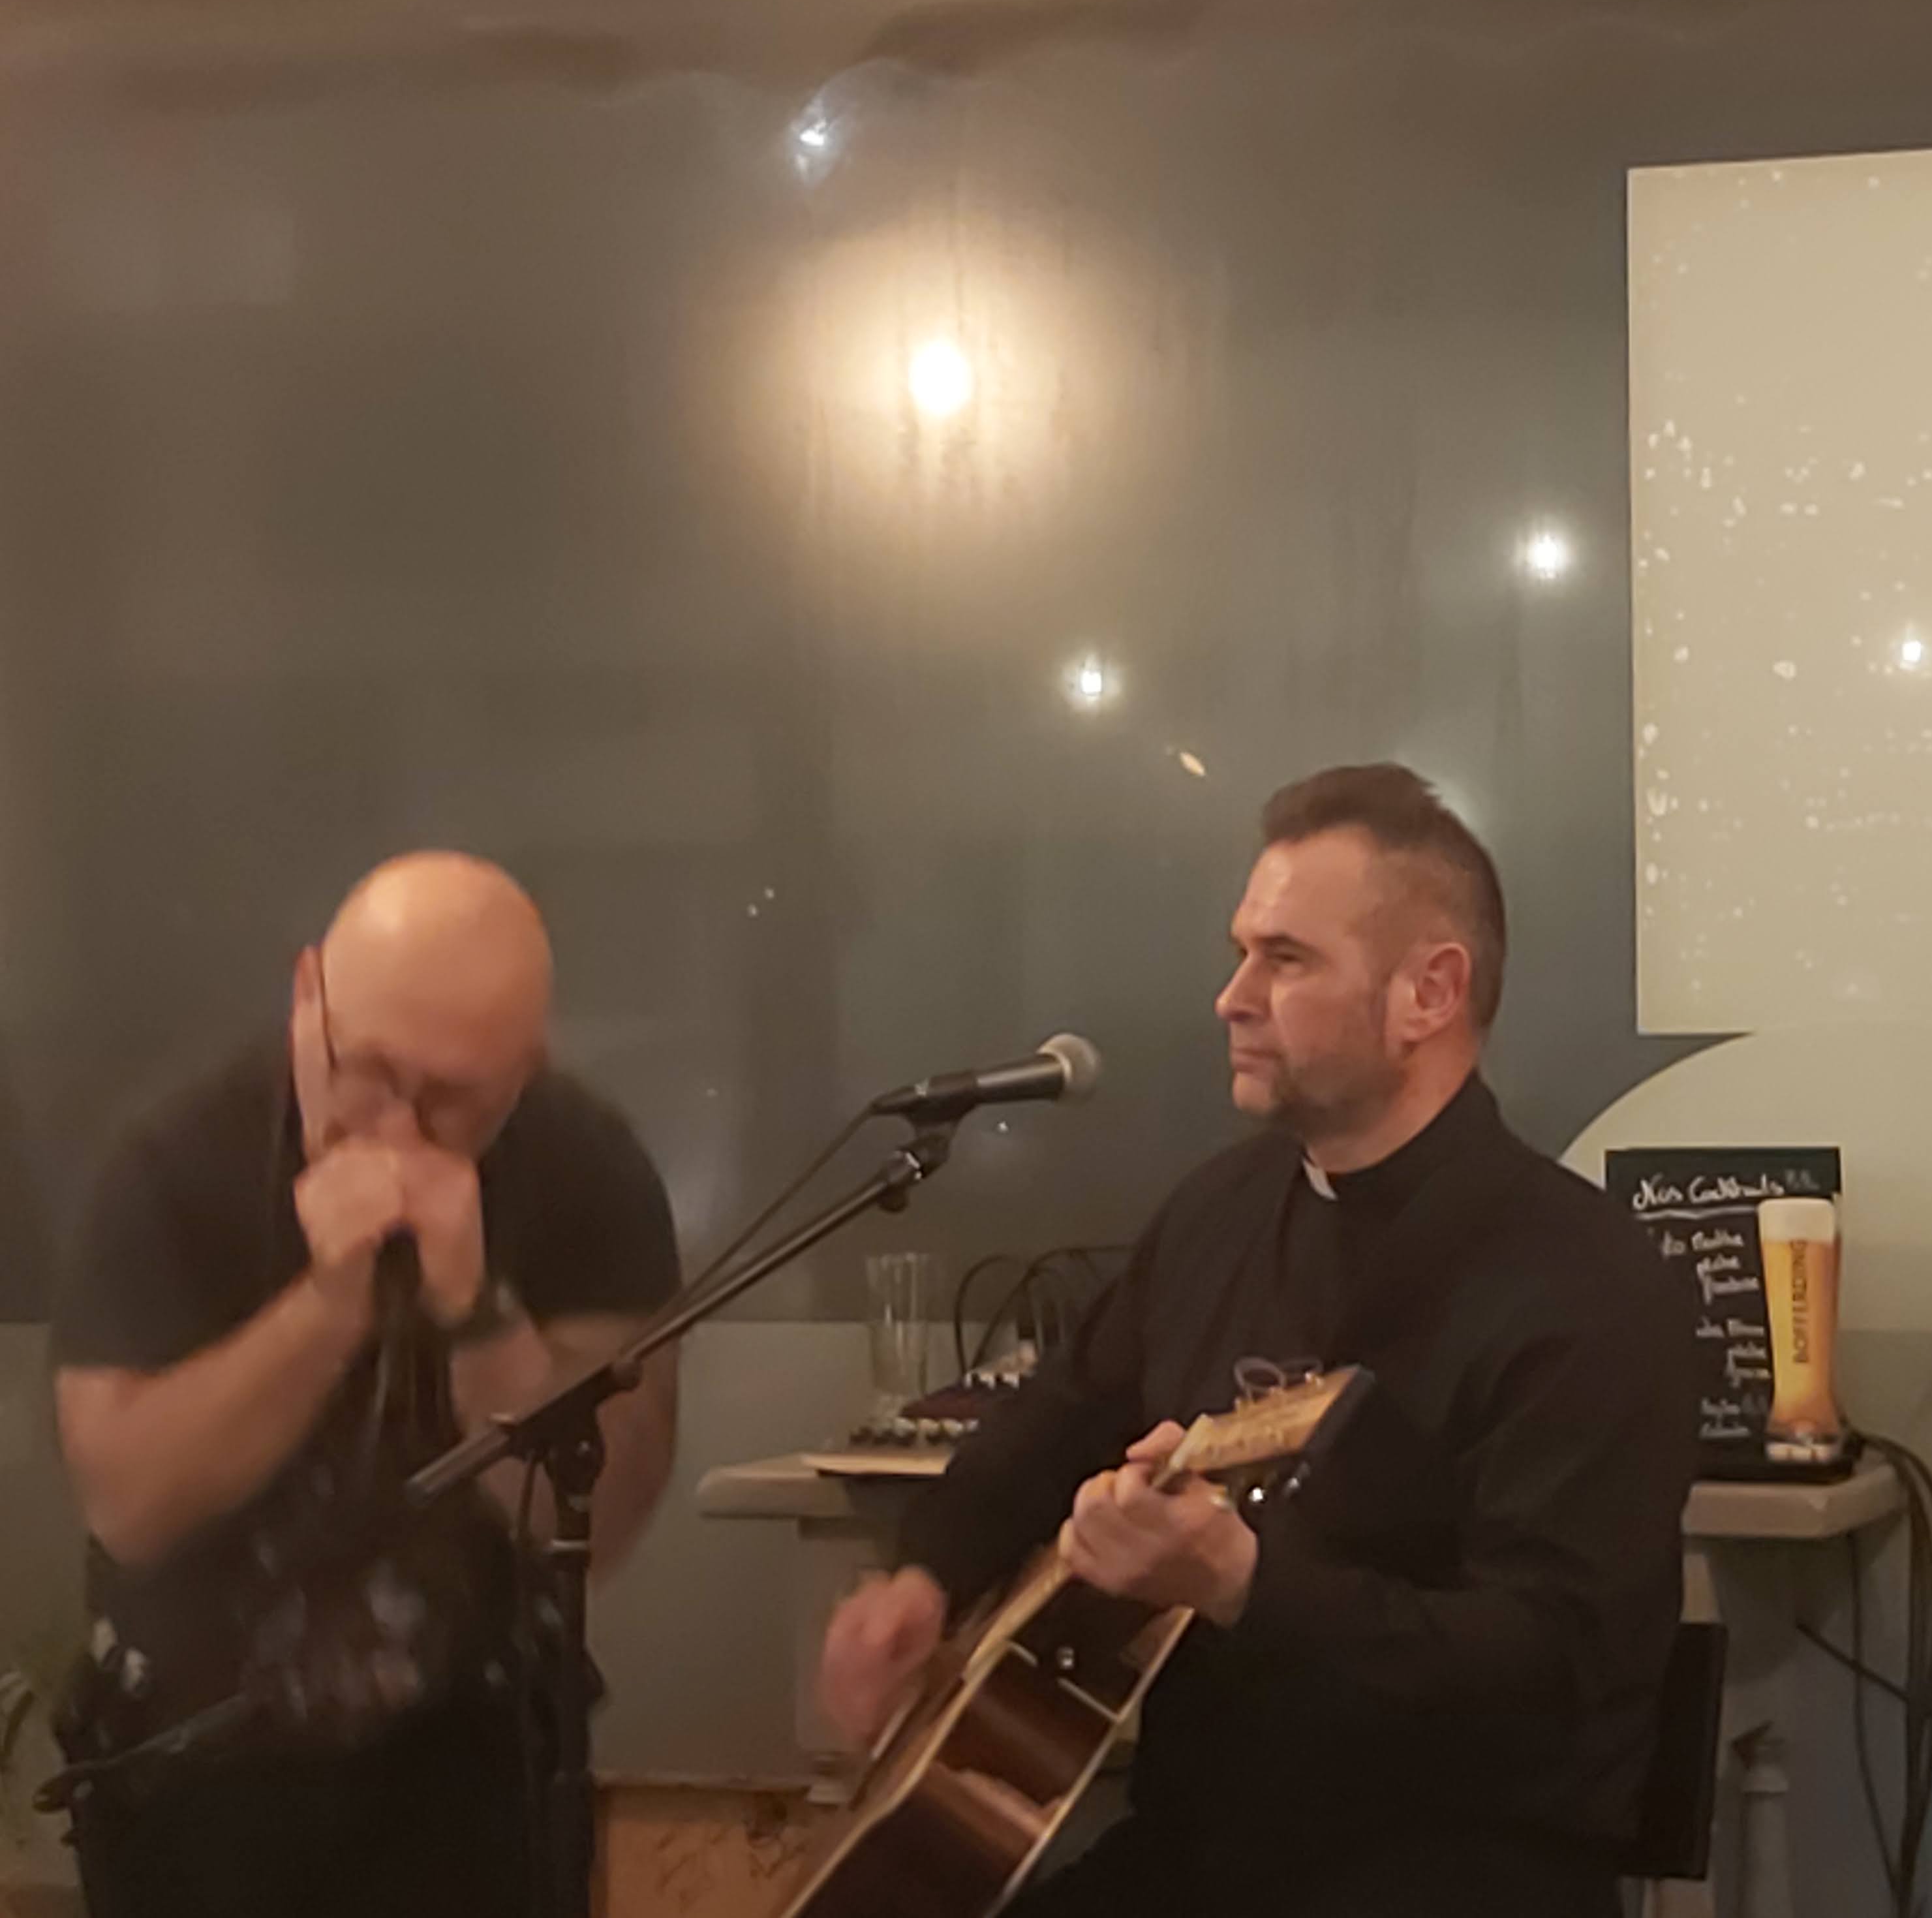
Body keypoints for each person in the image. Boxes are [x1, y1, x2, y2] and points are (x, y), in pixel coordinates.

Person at [817, 764, 1698, 1918]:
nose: (1232, 996)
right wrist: (927, 1575)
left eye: (1285, 959)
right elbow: (1056, 1418)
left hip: (1449, 1872)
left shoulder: (1585, 1285)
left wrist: (1243, 1582)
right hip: (1198, 1850)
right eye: (1241, 952)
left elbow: (1551, 1670)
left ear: (1428, 992)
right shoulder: (1218, 1212)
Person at [50, 852, 684, 1918]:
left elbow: (606, 1511)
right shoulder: (174, 1160)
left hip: (478, 1758)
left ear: (522, 1069)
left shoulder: (586, 1166)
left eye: (451, 1098)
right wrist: (328, 1308)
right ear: (309, 995)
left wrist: (478, 1316)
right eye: (370, 1071)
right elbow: (129, 1500)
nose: (395, 1124)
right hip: (193, 1760)